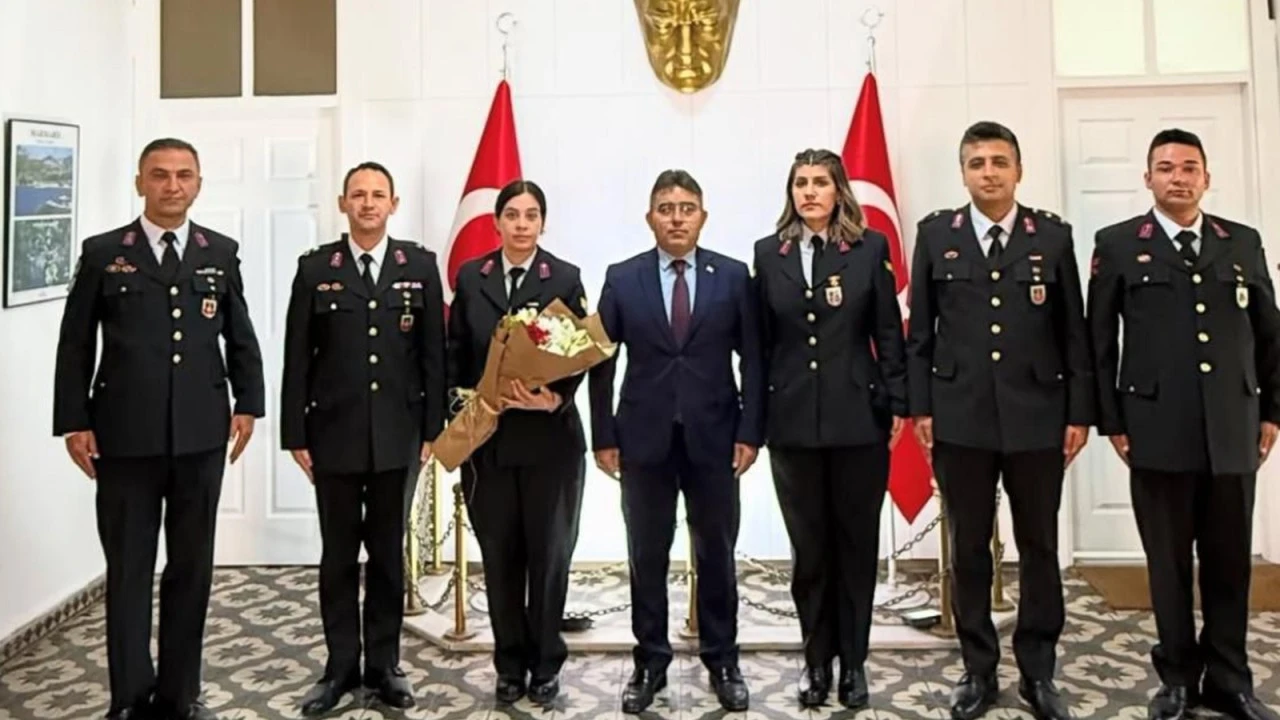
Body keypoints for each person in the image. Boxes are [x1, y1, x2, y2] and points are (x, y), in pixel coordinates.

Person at [52, 138, 265, 720]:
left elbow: (239, 335)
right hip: (124, 437)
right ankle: (128, 696)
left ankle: (179, 693)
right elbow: (75, 344)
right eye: (160, 175)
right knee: (128, 569)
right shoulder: (104, 253)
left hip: (200, 435)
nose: (173, 186)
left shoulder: (219, 252)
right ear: (140, 182)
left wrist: (248, 403)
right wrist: (73, 420)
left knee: (191, 569)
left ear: (198, 183)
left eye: (184, 175)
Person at [1087, 128, 1280, 720]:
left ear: (1206, 177)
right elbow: (1099, 342)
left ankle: (1230, 680)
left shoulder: (1241, 242)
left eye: (1189, 167)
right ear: (1147, 178)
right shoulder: (1119, 244)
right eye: (1166, 167)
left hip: (1232, 429)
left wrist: (1272, 410)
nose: (1179, 177)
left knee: (1229, 563)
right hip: (1155, 428)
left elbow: (1269, 334)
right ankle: (1175, 679)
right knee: (1168, 564)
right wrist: (1111, 420)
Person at [906, 121, 1092, 720]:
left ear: (1018, 170)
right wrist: (921, 407)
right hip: (960, 417)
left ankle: (1038, 671)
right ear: (963, 172)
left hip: (1038, 414)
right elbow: (920, 334)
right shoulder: (937, 235)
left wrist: (1080, 412)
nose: (988, 173)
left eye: (999, 162)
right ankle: (978, 669)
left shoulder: (1052, 237)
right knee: (968, 548)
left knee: (1039, 545)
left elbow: (1073, 331)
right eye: (977, 163)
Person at [589, 169, 764, 714]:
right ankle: (650, 661)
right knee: (647, 555)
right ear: (650, 218)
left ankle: (723, 660)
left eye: (687, 208)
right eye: (666, 209)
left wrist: (750, 431)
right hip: (643, 442)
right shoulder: (623, 278)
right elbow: (600, 361)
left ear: (703, 217)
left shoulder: (732, 276)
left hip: (716, 439)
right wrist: (602, 435)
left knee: (717, 553)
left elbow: (754, 360)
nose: (676, 218)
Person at [279, 161, 446, 716]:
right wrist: (295, 432)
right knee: (338, 557)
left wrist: (433, 430)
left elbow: (433, 354)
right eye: (358, 194)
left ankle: (385, 665)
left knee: (388, 557)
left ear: (393, 204)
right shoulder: (315, 269)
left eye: (378, 195)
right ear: (342, 203)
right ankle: (339, 667)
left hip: (399, 437)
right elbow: (297, 355)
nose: (368, 203)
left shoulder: (418, 266)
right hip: (334, 436)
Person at [751, 148, 907, 710]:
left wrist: (899, 402)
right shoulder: (769, 253)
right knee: (810, 550)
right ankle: (816, 660)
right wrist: (755, 419)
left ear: (839, 190)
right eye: (801, 183)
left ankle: (854, 664)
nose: (810, 192)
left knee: (856, 547)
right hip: (792, 423)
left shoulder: (869, 249)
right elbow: (759, 346)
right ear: (790, 192)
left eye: (820, 182)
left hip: (858, 419)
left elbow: (888, 333)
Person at [446, 179, 589, 706]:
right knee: (500, 556)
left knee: (549, 558)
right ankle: (509, 665)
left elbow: (581, 353)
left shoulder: (565, 278)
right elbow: (455, 351)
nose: (522, 224)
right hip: (489, 445)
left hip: (550, 443)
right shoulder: (472, 276)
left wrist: (555, 398)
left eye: (531, 215)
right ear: (497, 222)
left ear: (543, 223)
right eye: (512, 215)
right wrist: (459, 410)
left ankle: (546, 663)